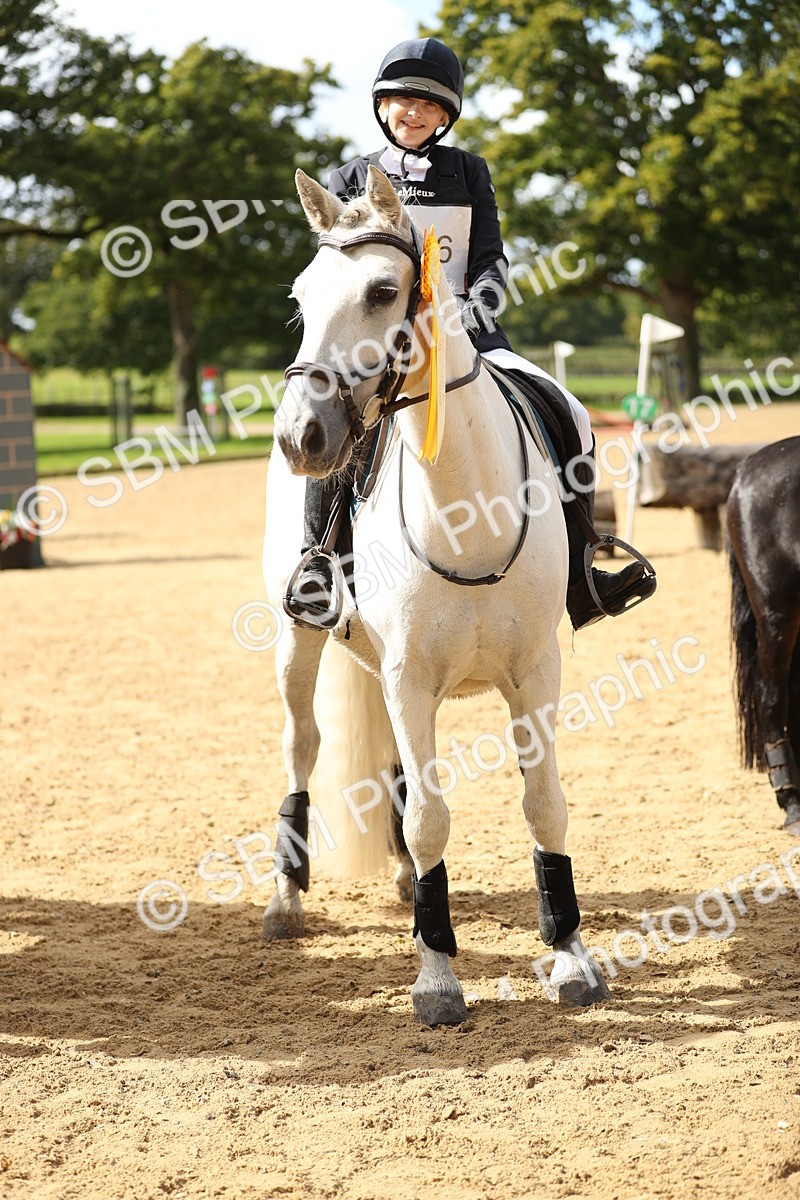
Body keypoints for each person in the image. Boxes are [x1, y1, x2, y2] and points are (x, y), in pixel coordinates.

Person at [286, 37, 655, 631]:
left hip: (469, 336)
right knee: (341, 426)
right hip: (381, 346)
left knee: (573, 413)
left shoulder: (468, 171)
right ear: (383, 107)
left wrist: (472, 311)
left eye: (428, 106)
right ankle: (319, 563)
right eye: (403, 101)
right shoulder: (352, 175)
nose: (414, 113)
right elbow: (341, 271)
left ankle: (582, 570)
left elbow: (490, 259)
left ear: (445, 117)